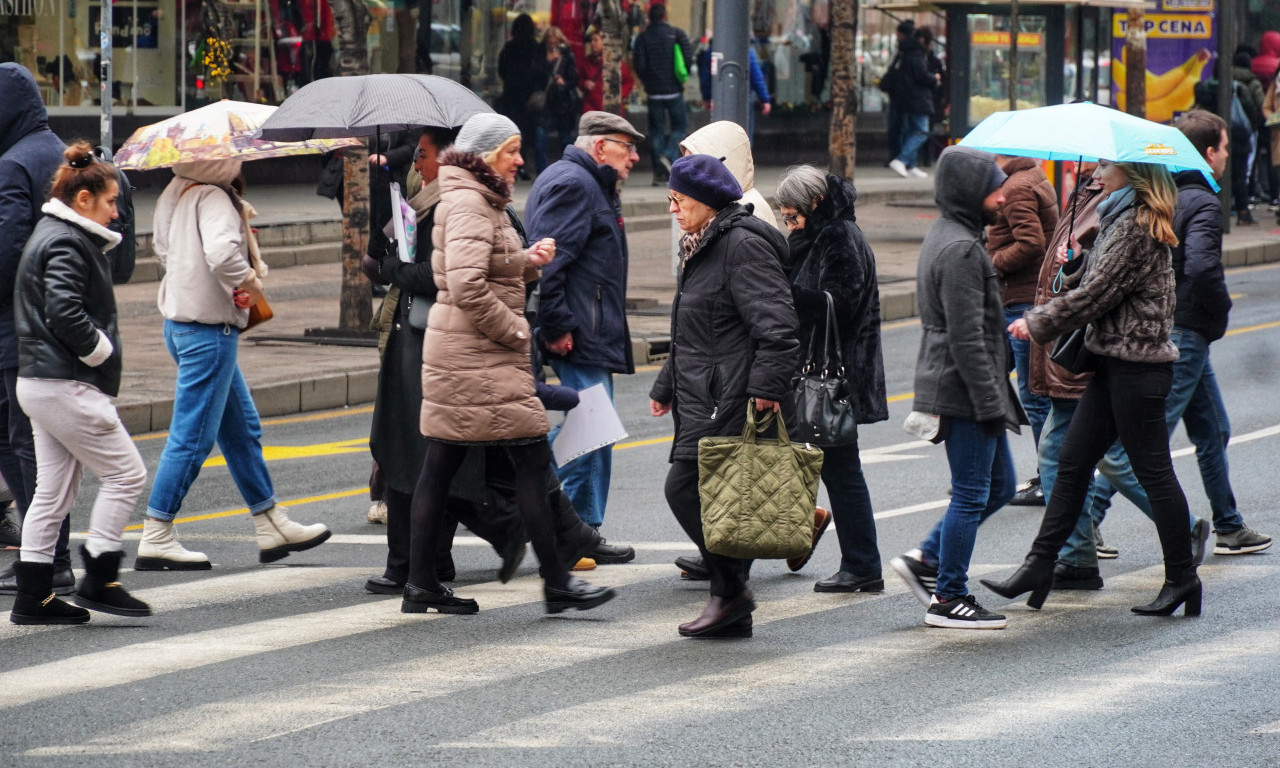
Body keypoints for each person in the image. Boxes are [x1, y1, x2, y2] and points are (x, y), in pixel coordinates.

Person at [402, 113, 615, 616]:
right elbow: (468, 285)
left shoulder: (473, 197)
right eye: (512, 150)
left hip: (465, 354)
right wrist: (517, 331)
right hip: (480, 355)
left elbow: (469, 268)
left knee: (444, 463)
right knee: (529, 460)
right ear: (486, 154)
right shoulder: (473, 201)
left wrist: (524, 261)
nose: (521, 159)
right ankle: (557, 582)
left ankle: (421, 583)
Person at [986, 158, 1200, 619]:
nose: (1099, 169)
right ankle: (1039, 566)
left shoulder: (1136, 224)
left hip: (1137, 369)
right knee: (1072, 461)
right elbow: (1107, 283)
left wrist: (1036, 321)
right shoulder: (1120, 215)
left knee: (1153, 472)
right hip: (1113, 363)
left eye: (1108, 163)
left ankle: (1182, 577)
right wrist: (1079, 262)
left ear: (1133, 172)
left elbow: (1098, 296)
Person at [1073, 111, 1271, 561]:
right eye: (1222, 147)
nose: (1225, 156)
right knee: (1142, 441)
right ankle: (1093, 521)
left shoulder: (1162, 196)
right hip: (1184, 332)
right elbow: (1201, 267)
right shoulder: (1200, 202)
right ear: (1206, 154)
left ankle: (1229, 524)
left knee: (1213, 428)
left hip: (1180, 331)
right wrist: (1218, 310)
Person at [140, 159, 331, 570]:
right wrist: (249, 282)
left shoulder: (174, 191)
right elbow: (222, 254)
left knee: (242, 429)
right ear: (220, 162)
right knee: (193, 437)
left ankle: (270, 523)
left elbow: (164, 252)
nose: (240, 162)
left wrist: (209, 282)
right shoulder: (213, 196)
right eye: (235, 158)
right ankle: (157, 532)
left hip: (182, 324)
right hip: (208, 332)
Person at [650, 154, 799, 638]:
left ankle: (730, 592)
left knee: (686, 488)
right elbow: (695, 327)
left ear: (706, 201)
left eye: (678, 200)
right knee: (716, 498)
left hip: (731, 393)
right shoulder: (703, 243)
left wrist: (766, 388)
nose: (672, 209)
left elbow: (777, 327)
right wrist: (665, 383)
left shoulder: (740, 246)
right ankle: (730, 599)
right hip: (705, 388)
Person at [8, 142, 150, 625]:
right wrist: (101, 351)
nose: (117, 212)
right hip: (64, 381)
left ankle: (33, 598)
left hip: (43, 380)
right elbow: (63, 310)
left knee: (52, 493)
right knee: (126, 474)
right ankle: (100, 577)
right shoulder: (67, 240)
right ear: (84, 199)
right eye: (111, 201)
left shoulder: (55, 233)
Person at [889, 146, 1023, 630]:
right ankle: (949, 596)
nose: (1003, 195)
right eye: (994, 186)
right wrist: (990, 403)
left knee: (1002, 485)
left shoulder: (952, 234)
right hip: (963, 388)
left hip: (961, 382)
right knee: (971, 492)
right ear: (971, 192)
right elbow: (967, 338)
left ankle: (927, 559)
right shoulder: (963, 249)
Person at [525, 111, 645, 564]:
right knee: (589, 430)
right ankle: (566, 531)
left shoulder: (588, 182)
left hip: (587, 326)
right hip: (578, 330)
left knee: (594, 429)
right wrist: (555, 326)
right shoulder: (575, 184)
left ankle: (580, 529)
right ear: (599, 146)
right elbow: (549, 260)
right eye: (625, 146)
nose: (634, 156)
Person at [362, 127, 471, 595]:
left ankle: (421, 563)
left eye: (422, 157)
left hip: (434, 343)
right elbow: (383, 249)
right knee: (403, 451)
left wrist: (394, 271)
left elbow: (439, 273)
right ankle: (408, 563)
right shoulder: (420, 200)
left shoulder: (454, 206)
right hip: (407, 335)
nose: (417, 165)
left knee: (430, 457)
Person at [775, 165, 889, 592]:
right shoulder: (817, 236)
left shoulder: (838, 236)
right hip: (822, 371)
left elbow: (837, 304)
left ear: (815, 203)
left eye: (793, 216)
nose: (790, 224)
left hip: (835, 376)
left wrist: (784, 292)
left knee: (842, 471)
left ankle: (861, 565)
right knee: (828, 467)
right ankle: (810, 538)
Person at [0, 63, 74, 595]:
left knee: (20, 441)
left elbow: (6, 254)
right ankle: (52, 554)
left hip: (16, 327)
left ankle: (46, 556)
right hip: (68, 326)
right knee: (46, 443)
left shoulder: (12, 166)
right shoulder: (76, 159)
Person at [989, 154, 1059, 506]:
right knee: (997, 382)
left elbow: (1031, 242)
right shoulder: (1032, 175)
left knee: (1033, 395)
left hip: (1021, 301)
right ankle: (993, 476)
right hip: (1025, 298)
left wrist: (990, 263)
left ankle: (1051, 478)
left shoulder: (1016, 187)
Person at [633, 3, 693, 186]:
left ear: (650, 17)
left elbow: (639, 64)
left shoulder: (643, 37)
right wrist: (680, 78)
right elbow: (688, 56)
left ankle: (659, 173)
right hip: (674, 90)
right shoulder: (676, 33)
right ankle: (668, 155)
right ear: (665, 15)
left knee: (656, 131)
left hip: (654, 93)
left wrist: (648, 81)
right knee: (680, 128)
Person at [885, 25, 938, 179]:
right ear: (923, 40)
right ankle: (902, 159)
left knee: (911, 130)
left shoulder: (905, 51)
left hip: (907, 98)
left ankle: (910, 165)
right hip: (918, 99)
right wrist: (934, 78)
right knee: (922, 131)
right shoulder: (916, 54)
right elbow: (921, 75)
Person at [696, 40, 773, 140]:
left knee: (720, 133)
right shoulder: (746, 51)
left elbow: (705, 77)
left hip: (720, 100)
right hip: (743, 99)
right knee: (744, 134)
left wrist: (707, 97)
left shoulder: (713, 51)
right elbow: (756, 77)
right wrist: (764, 99)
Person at [497, 14, 544, 178]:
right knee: (527, 134)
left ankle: (512, 165)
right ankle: (522, 165)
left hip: (512, 97)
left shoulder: (510, 48)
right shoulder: (535, 48)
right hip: (528, 99)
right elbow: (541, 73)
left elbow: (502, 69)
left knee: (511, 133)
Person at [533, 26, 579, 174]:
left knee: (565, 140)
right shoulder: (540, 55)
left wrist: (564, 82)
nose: (552, 45)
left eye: (555, 42)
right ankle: (542, 172)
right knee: (540, 139)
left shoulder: (567, 56)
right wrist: (547, 62)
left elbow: (574, 79)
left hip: (562, 103)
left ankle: (569, 170)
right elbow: (535, 76)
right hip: (546, 103)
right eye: (550, 42)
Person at [878, 20, 915, 165]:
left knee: (897, 128)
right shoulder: (914, 50)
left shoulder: (902, 50)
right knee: (906, 128)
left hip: (898, 95)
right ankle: (903, 158)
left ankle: (898, 157)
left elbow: (893, 69)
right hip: (906, 95)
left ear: (901, 34)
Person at [578, 28, 634, 115]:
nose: (592, 43)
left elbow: (628, 82)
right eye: (592, 40)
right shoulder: (587, 61)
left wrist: (618, 96)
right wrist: (585, 83)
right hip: (591, 111)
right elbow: (579, 80)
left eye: (596, 40)